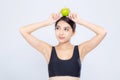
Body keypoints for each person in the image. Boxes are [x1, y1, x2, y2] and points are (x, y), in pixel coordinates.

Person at [19, 12, 107, 80]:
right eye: (58, 28)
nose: (61, 33)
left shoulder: (80, 50)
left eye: (66, 29)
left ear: (73, 32)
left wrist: (80, 21)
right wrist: (47, 22)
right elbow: (23, 30)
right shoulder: (48, 50)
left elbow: (102, 32)